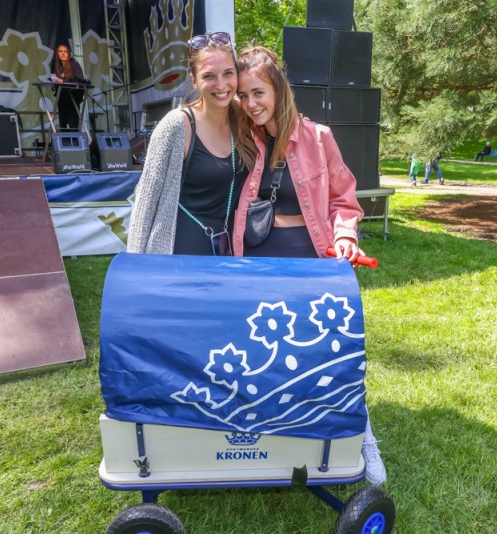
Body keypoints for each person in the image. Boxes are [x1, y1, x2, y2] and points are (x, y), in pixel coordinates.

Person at [233, 45, 386, 485]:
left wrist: (344, 237)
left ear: (279, 89)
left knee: (332, 356)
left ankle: (361, 438)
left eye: (258, 92)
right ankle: (273, 440)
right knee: (264, 355)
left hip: (311, 260)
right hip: (256, 264)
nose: (250, 104)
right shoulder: (240, 138)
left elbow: (344, 199)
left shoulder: (318, 138)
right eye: (243, 96)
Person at [127, 32, 247, 255]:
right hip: (181, 248)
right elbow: (146, 203)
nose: (221, 85)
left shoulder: (245, 118)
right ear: (194, 80)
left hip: (232, 249)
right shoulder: (176, 126)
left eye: (228, 73)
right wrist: (137, 268)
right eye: (209, 76)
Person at [51, 43, 87, 131]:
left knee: (73, 124)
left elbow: (80, 80)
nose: (63, 54)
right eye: (60, 51)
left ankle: (75, 143)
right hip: (62, 97)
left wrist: (64, 81)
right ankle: (65, 143)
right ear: (57, 54)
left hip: (72, 97)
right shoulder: (57, 66)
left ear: (68, 53)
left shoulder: (74, 64)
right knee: (63, 124)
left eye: (65, 51)